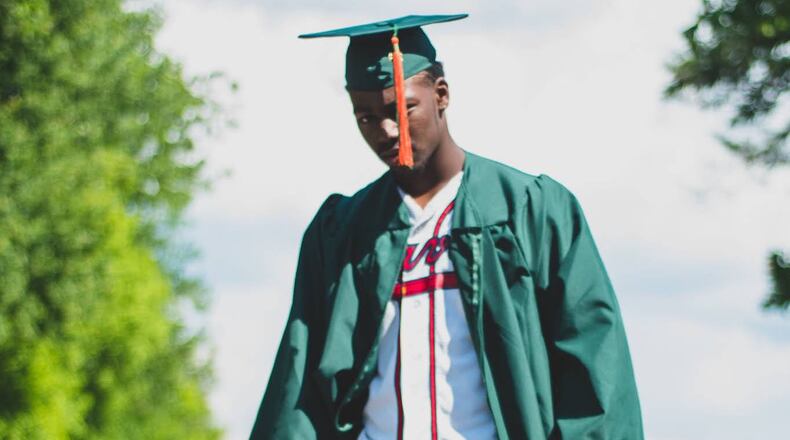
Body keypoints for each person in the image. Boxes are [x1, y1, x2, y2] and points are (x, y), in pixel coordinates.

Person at [251, 14, 643, 440]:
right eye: (365, 117)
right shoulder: (342, 232)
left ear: (441, 94)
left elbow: (594, 366)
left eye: (401, 108)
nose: (385, 130)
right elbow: (300, 386)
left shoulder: (530, 209)